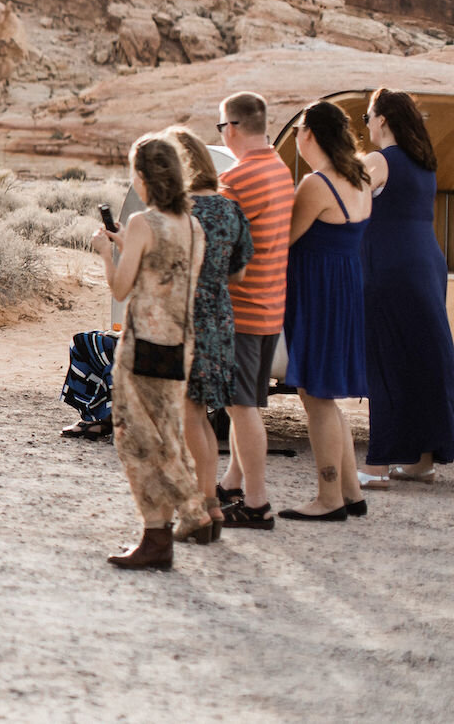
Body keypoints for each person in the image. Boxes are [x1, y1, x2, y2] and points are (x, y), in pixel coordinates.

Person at [91, 134, 210, 569]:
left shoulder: (143, 222)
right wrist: (128, 247)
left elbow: (122, 288)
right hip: (180, 344)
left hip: (142, 346)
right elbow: (167, 271)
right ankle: (162, 535)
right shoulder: (192, 227)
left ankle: (182, 518)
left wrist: (107, 252)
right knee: (167, 433)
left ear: (142, 178)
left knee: (136, 440)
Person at [358, 89, 454, 487]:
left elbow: (347, 202)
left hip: (389, 267)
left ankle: (378, 466)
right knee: (422, 360)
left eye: (368, 116)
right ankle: (421, 462)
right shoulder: (425, 164)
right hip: (426, 264)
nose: (365, 123)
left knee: (386, 361)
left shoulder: (378, 161)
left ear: (383, 119)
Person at [279, 102, 372, 521]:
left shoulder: (316, 184)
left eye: (299, 128)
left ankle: (328, 497)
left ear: (310, 134)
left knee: (316, 396)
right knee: (327, 396)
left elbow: (286, 241)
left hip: (318, 293)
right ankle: (350, 492)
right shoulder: (360, 178)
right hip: (345, 289)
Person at [167, 127, 253, 537]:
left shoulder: (178, 212)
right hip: (219, 317)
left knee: (188, 414)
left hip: (184, 319)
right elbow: (240, 270)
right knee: (202, 413)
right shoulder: (229, 209)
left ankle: (201, 507)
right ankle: (211, 505)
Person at [214, 91, 294, 532]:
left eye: (222, 127)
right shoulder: (280, 170)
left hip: (242, 308)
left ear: (234, 127)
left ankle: (258, 503)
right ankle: (232, 483)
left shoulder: (240, 179)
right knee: (248, 406)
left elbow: (221, 245)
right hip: (270, 305)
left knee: (240, 406)